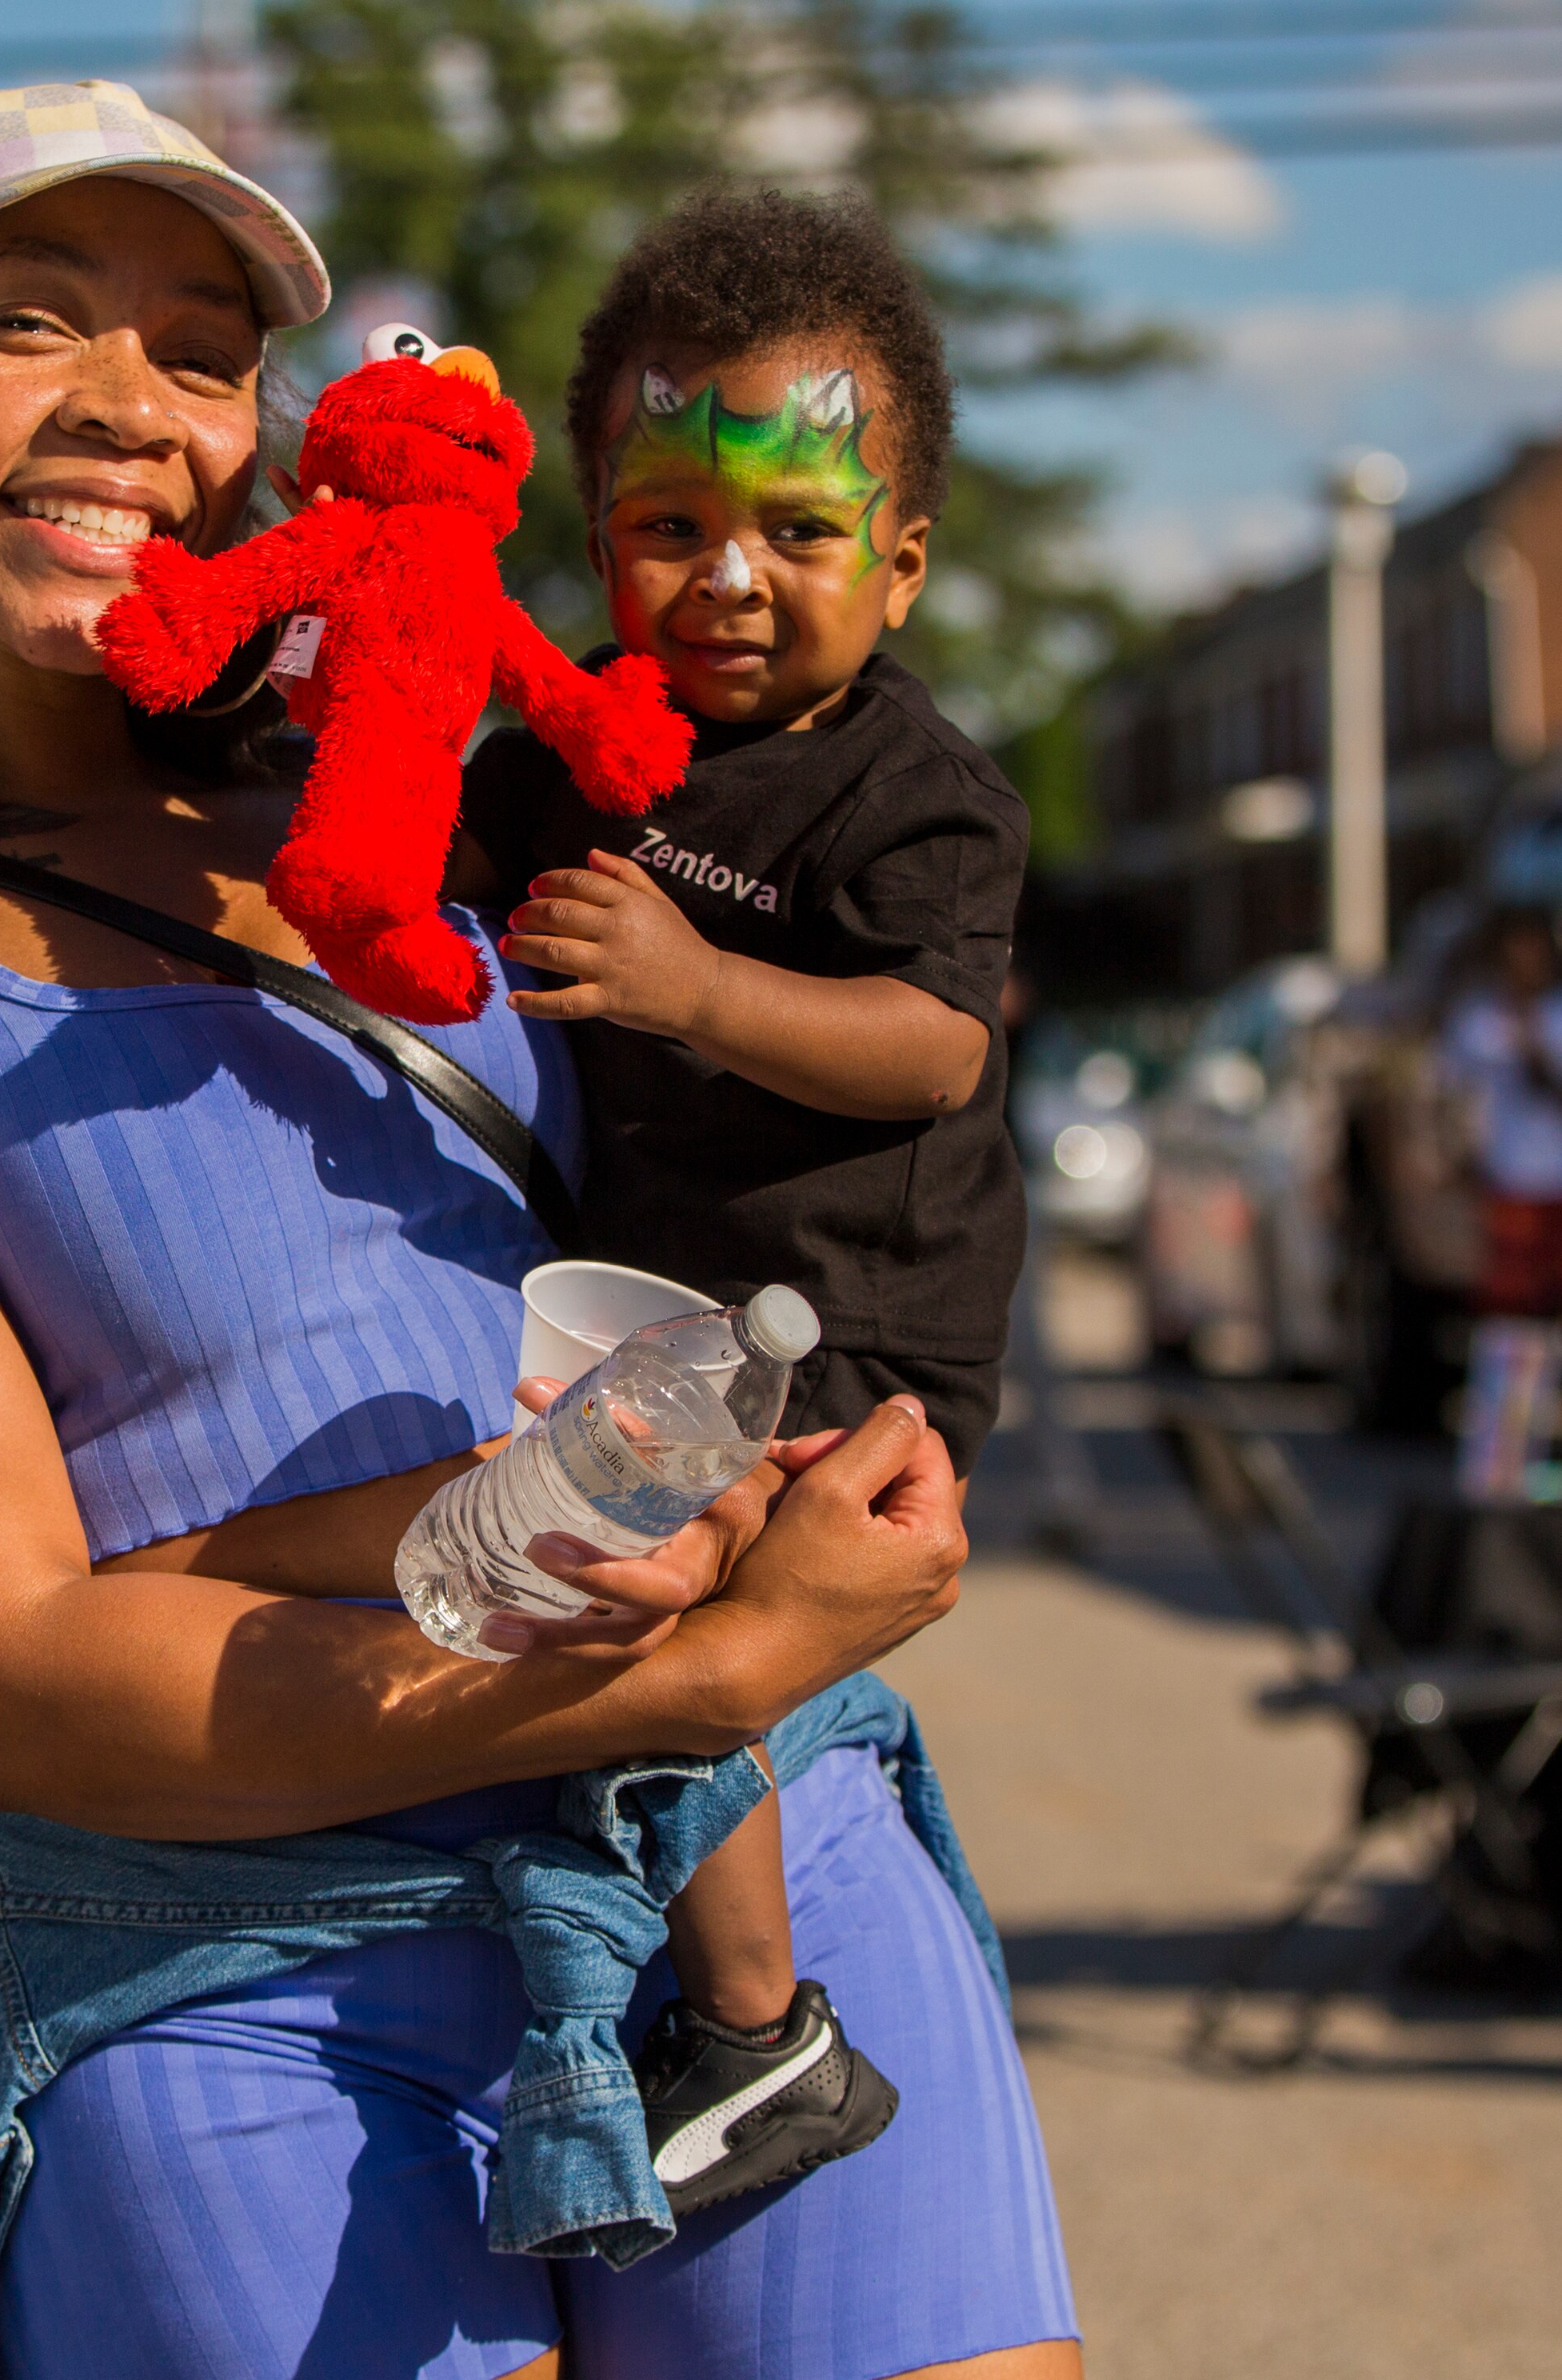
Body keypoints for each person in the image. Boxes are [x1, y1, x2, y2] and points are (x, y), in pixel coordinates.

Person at [0, 82, 1073, 2380]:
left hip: (745, 1856)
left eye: (199, 350)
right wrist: (696, 1664)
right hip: (239, 1980)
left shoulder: (423, 803)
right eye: (30, 318)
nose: (130, 401)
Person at [452, 183, 1027, 2209]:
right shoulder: (557, 754)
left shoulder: (912, 795)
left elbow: (935, 1048)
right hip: (654, 1291)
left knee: (680, 1580)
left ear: (904, 560)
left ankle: (757, 2028)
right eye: (670, 525)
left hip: (847, 1307)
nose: (728, 580)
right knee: (591, 1562)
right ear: (594, 533)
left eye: (799, 530)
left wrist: (695, 988)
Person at [1437, 903, 1562, 1487]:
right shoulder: (1478, 1021)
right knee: (1509, 1323)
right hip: (1510, 1190)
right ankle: (1502, 1451)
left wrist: (1548, 1069)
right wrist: (1460, 1163)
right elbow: (1450, 1097)